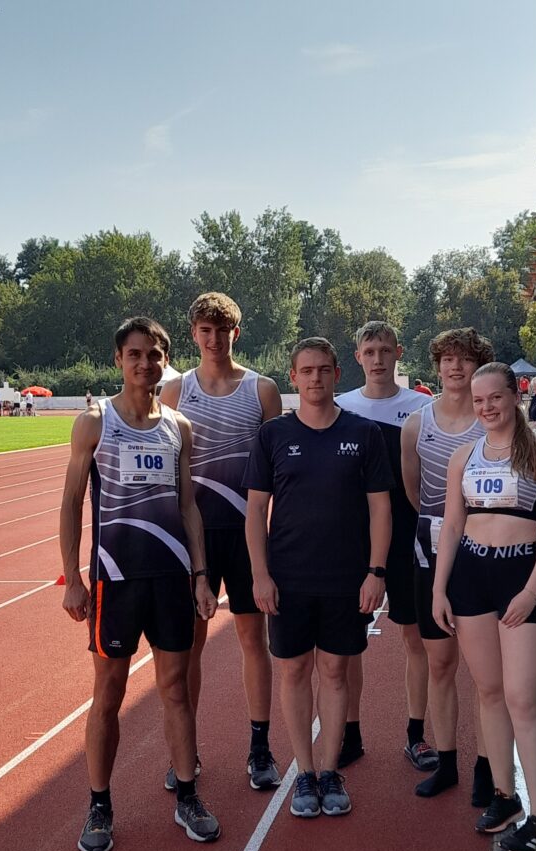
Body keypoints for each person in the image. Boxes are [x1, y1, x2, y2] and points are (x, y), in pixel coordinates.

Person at [59, 315, 220, 851]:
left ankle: (188, 797)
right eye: (135, 355)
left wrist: (201, 575)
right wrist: (73, 579)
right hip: (115, 582)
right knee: (108, 695)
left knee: (176, 690)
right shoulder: (94, 423)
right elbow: (71, 504)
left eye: (154, 355)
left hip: (171, 580)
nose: (145, 364)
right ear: (119, 360)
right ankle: (99, 807)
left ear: (164, 360)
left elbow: (188, 506)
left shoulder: (180, 426)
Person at [244, 338, 392, 817]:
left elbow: (380, 509)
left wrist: (376, 572)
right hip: (288, 579)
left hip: (346, 579)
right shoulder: (272, 437)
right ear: (293, 377)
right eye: (306, 370)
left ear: (335, 374)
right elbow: (255, 512)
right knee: (294, 671)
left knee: (334, 672)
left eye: (324, 370)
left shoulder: (364, 434)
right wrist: (260, 574)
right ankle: (303, 774)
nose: (315, 379)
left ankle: (330, 771)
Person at [432, 362, 536, 851]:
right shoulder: (462, 457)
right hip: (470, 576)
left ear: (515, 396)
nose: (487, 407)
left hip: (520, 577)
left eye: (496, 397)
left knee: (522, 699)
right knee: (489, 691)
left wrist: (533, 590)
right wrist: (439, 589)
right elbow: (451, 527)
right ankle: (504, 795)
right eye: (479, 401)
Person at [159, 292, 284, 791]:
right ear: (193, 335)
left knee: (254, 641)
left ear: (238, 333)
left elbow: (278, 469)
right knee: (188, 649)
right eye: (205, 331)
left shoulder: (263, 391)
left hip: (247, 534)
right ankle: (186, 753)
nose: (214, 339)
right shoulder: (174, 393)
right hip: (192, 537)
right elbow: (169, 472)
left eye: (222, 330)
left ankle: (260, 747)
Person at [400, 326, 496, 804]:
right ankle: (447, 762)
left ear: (478, 366)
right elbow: (415, 493)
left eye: (466, 360)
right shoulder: (417, 424)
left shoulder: (496, 423)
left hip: (481, 552)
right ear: (437, 365)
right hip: (429, 547)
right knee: (439, 663)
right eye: (448, 360)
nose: (456, 368)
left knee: (484, 672)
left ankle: (485, 766)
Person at [335, 320, 435, 770]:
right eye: (368, 352)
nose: (377, 360)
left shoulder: (421, 407)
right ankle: (350, 734)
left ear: (398, 353)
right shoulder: (341, 407)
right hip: (356, 541)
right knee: (350, 642)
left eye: (384, 351)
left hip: (409, 536)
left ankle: (416, 735)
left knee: (415, 638)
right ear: (357, 357)